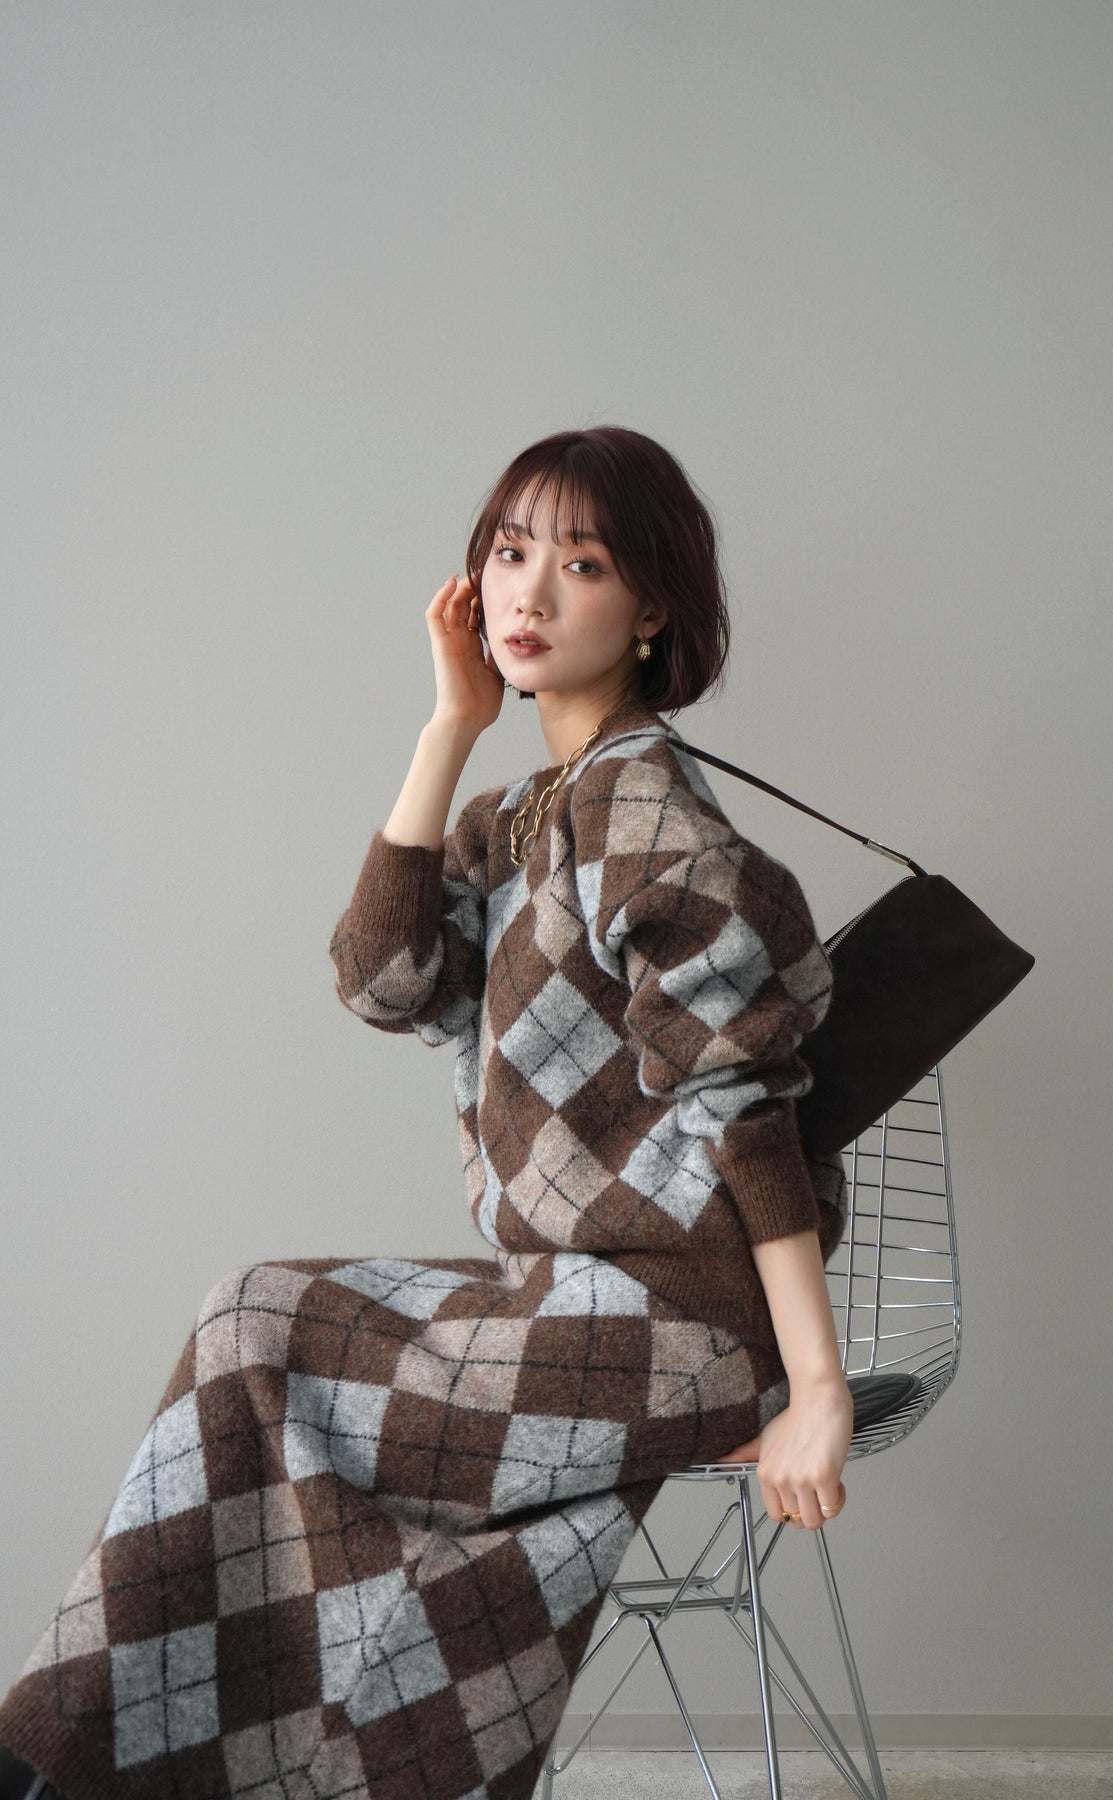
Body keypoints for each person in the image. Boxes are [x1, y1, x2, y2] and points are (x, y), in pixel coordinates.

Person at [0, 425, 854, 1799]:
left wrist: (815, 1388)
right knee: (264, 1344)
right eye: (509, 554)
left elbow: (746, 1112)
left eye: (582, 565)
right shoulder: (522, 815)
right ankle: (166, 1762)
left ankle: (74, 1766)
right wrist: (448, 727)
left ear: (652, 611)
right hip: (568, 1296)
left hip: (683, 1321)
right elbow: (382, 977)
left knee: (260, 1329)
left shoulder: (644, 814)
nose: (529, 593)